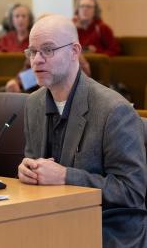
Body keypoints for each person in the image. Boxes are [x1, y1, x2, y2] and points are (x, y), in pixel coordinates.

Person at [18, 14, 147, 247]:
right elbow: (35, 163)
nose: (36, 60)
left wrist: (66, 176)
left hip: (106, 228)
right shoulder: (33, 103)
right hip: (50, 220)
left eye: (48, 50)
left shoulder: (114, 110)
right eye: (32, 51)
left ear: (75, 51)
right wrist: (28, 171)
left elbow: (132, 192)